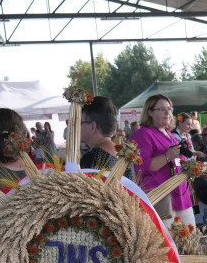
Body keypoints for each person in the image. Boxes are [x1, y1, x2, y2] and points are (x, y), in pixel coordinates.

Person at [132, 94, 195, 226]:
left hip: (181, 196)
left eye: (169, 109)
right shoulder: (143, 134)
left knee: (190, 240)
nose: (167, 113)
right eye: (162, 109)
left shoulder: (169, 133)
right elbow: (141, 167)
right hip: (162, 199)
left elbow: (177, 160)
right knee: (168, 244)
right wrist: (167, 156)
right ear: (150, 112)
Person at [80, 96, 134, 181]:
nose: (77, 127)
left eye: (80, 122)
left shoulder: (92, 157)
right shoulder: (125, 155)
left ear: (92, 127)